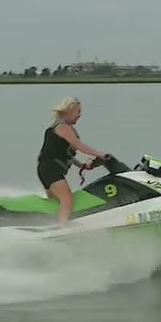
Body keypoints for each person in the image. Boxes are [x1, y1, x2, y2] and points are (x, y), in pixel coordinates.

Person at [37, 96, 111, 226]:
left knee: (56, 203)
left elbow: (66, 156)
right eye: (78, 112)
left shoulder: (60, 128)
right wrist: (98, 153)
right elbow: (77, 145)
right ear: (69, 111)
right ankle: (62, 227)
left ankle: (51, 225)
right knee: (67, 199)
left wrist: (83, 165)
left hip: (46, 169)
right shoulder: (62, 127)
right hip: (51, 170)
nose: (79, 115)